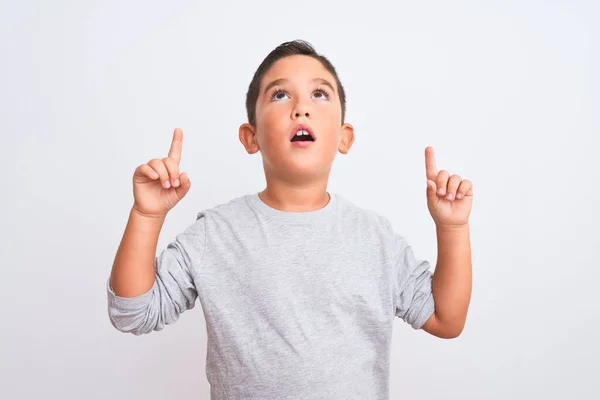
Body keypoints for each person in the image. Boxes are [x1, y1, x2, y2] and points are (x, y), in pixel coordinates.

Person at [107, 39, 473, 400]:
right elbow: (133, 313)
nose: (301, 108)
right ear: (251, 138)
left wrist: (453, 227)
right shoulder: (215, 234)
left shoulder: (375, 238)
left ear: (345, 138)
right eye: (280, 95)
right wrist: (147, 214)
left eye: (320, 94)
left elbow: (446, 319)